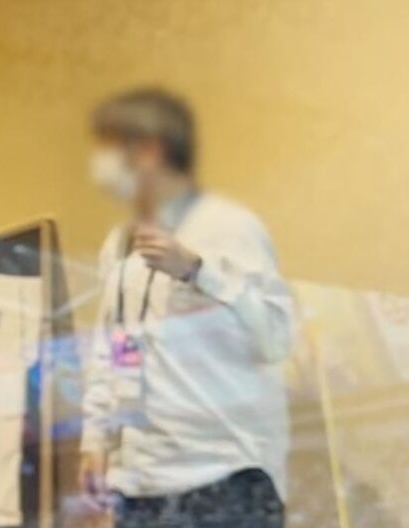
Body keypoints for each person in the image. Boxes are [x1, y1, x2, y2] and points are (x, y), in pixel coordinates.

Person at [78, 87, 292, 528]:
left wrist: (198, 271)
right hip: (140, 484)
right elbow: (111, 349)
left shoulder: (227, 227)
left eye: (109, 147)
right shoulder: (119, 243)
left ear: (150, 151)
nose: (99, 163)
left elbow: (275, 338)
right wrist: (96, 441)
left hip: (223, 476)